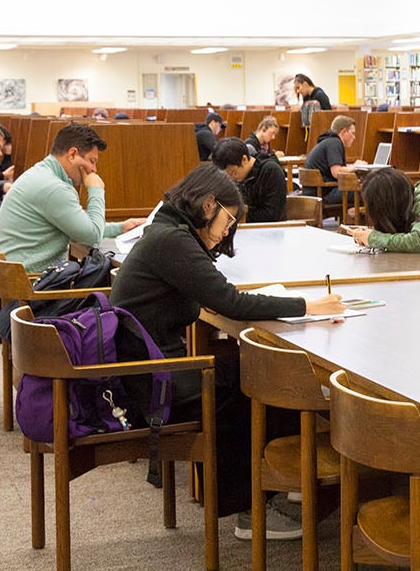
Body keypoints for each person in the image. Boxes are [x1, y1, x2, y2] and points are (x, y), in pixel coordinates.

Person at [110, 163, 344, 540]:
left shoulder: (166, 231)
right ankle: (252, 509)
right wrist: (306, 306)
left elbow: (211, 297)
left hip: (148, 368)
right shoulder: (173, 241)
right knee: (264, 376)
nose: (226, 232)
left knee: (249, 366)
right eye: (228, 220)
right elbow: (230, 301)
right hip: (155, 384)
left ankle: (287, 481)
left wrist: (217, 296)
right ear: (208, 205)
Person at [0, 123, 145, 274]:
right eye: (92, 161)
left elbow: (80, 226)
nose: (94, 170)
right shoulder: (55, 188)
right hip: (28, 289)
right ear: (72, 154)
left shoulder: (43, 173)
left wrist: (121, 228)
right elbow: (92, 236)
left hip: (14, 281)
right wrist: (96, 190)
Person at [304, 115, 366, 206]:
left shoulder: (327, 141)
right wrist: (356, 167)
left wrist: (351, 167)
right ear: (344, 132)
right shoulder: (334, 142)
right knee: (369, 192)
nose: (354, 137)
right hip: (324, 194)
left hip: (315, 192)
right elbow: (336, 172)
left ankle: (354, 217)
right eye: (352, 133)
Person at [237, 118, 288, 223]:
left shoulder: (265, 145)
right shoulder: (250, 146)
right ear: (263, 129)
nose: (273, 137)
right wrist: (274, 156)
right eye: (272, 133)